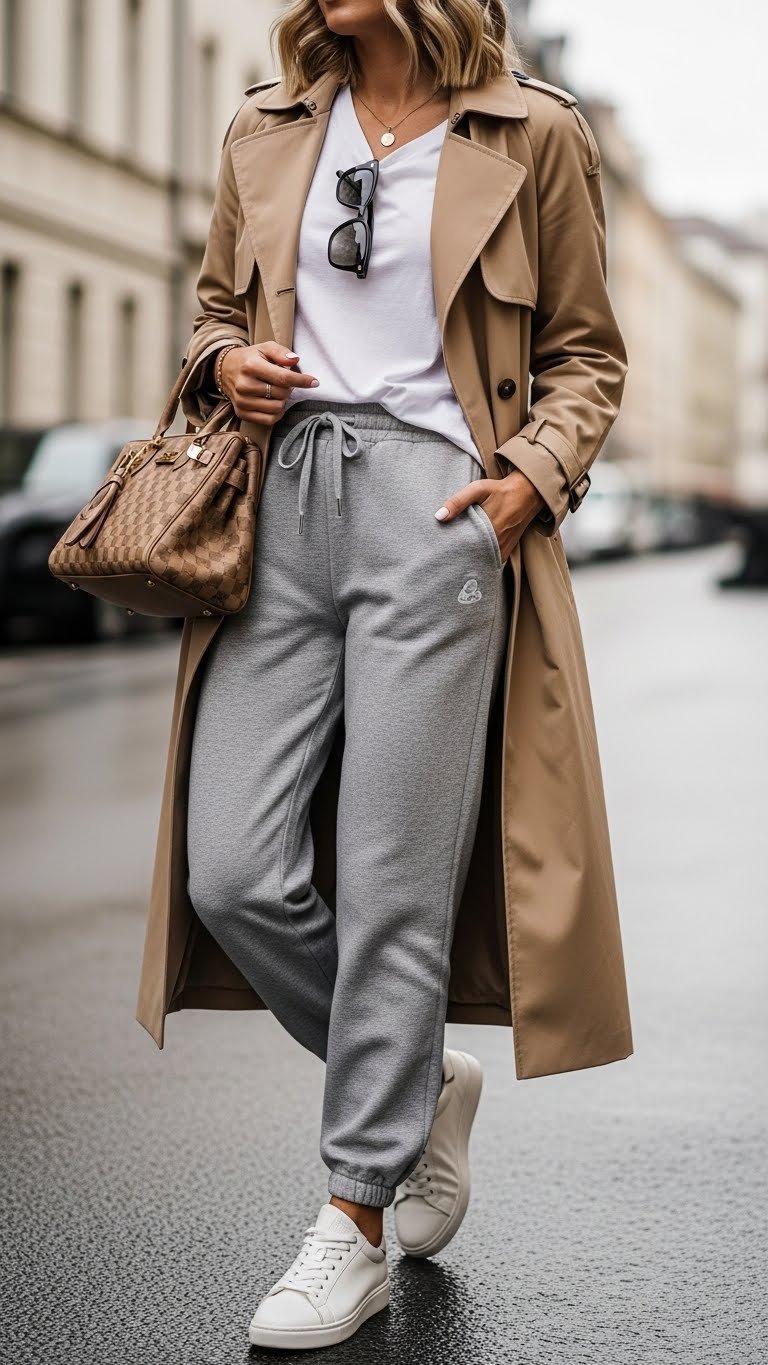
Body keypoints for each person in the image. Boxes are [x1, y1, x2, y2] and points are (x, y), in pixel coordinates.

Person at [137, 0, 633, 1351]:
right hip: (279, 503)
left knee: (392, 881)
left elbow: (587, 353)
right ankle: (421, 1077)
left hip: (439, 514)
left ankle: (353, 1215)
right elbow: (211, 312)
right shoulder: (266, 126)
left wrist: (531, 479)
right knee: (232, 865)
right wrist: (221, 362)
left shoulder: (533, 135)